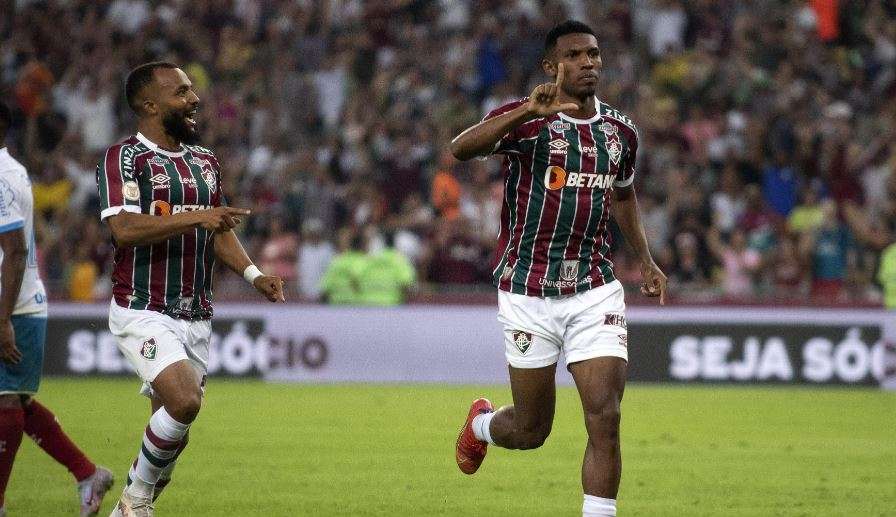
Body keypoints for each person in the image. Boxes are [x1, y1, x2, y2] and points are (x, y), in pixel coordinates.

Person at [449, 21, 667, 517]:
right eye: (575, 55)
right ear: (552, 66)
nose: (588, 62)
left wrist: (646, 261)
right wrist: (527, 107)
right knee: (530, 431)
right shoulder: (529, 121)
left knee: (605, 417)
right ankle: (482, 425)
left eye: (593, 54)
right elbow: (460, 150)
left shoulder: (621, 132)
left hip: (595, 288)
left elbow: (624, 195)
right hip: (528, 289)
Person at [96, 62, 285, 516]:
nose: (194, 99)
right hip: (142, 305)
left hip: (196, 314)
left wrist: (254, 274)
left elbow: (218, 229)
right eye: (181, 92)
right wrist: (196, 216)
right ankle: (134, 503)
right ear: (149, 104)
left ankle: (133, 502)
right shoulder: (124, 158)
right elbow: (122, 229)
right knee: (184, 402)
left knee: (169, 445)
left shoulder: (205, 161)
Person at [0, 102, 113, 517]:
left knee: (7, 403)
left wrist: (3, 320)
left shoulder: (3, 176)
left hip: (16, 306)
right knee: (16, 403)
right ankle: (88, 473)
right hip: (11, 304)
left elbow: (13, 253)